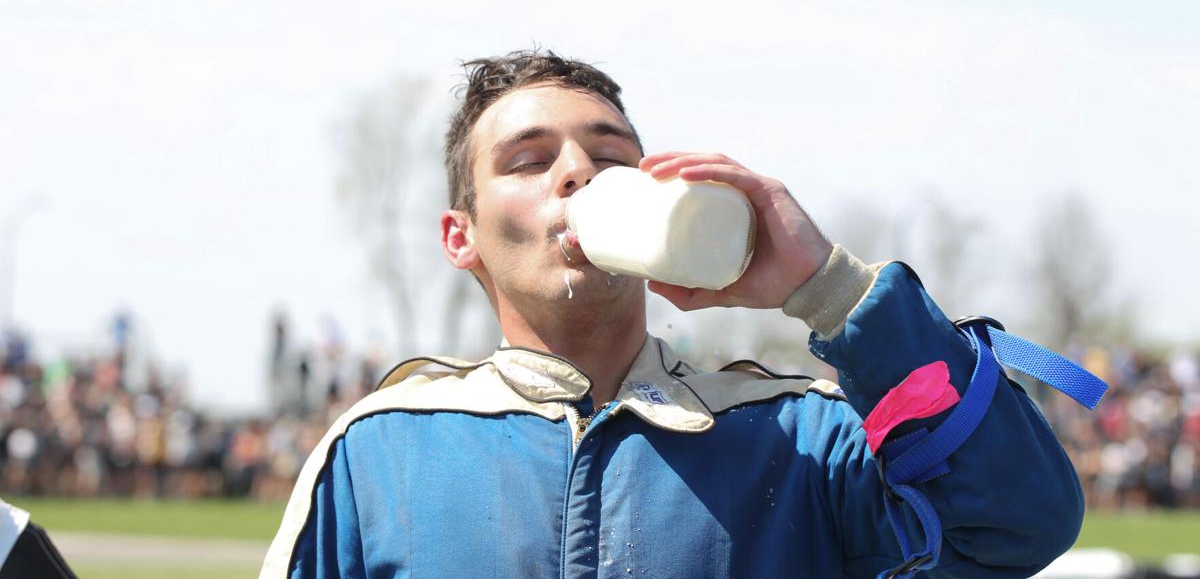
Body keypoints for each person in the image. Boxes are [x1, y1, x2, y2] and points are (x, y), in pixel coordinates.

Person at [261, 50, 1087, 578]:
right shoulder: (379, 452)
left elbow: (1017, 527)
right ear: (460, 235)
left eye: (611, 155)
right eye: (529, 159)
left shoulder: (802, 439)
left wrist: (829, 290)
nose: (578, 171)